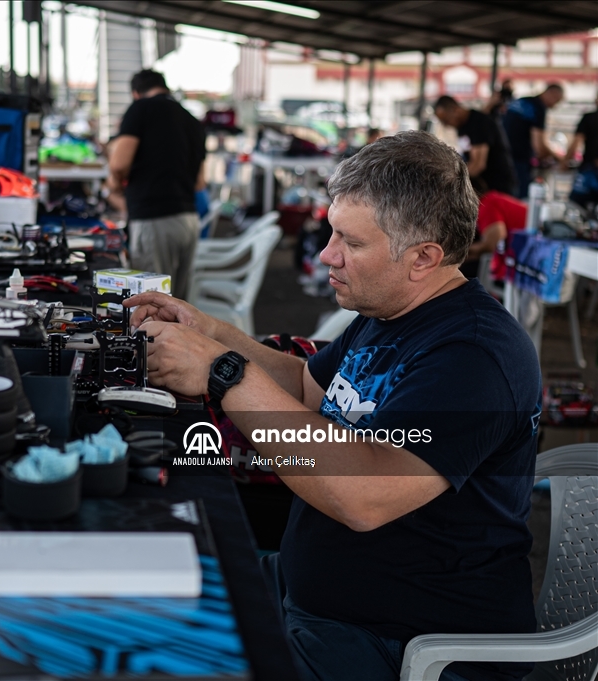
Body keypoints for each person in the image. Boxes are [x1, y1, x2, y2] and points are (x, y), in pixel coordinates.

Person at [125, 131, 540, 681]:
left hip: (401, 643)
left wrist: (221, 372)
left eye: (351, 242)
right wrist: (211, 332)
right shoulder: (390, 310)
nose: (327, 254)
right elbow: (304, 386)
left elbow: (362, 493)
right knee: (134, 599)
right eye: (331, 233)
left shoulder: (475, 355)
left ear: (423, 258)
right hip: (316, 598)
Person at [106, 69, 206, 300]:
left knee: (152, 305)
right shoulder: (191, 120)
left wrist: (115, 188)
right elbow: (200, 183)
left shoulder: (141, 108)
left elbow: (119, 164)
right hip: (188, 222)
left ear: (136, 93)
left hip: (154, 221)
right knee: (179, 308)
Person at [434, 95, 517, 196]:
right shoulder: (462, 126)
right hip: (484, 187)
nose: (447, 125)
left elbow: (478, 164)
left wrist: (452, 182)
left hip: (499, 186)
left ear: (455, 110)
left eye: (446, 120)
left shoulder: (479, 123)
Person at [503, 83, 564, 198]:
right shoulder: (538, 108)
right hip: (519, 161)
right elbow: (539, 147)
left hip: (502, 157)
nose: (554, 106)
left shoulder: (521, 101)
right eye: (556, 101)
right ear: (552, 94)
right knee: (520, 200)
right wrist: (558, 158)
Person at [467, 178, 527, 284]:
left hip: (526, 256)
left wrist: (461, 253)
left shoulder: (487, 204)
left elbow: (493, 243)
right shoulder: (491, 200)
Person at [562, 97, 598, 209]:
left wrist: (564, 162)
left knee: (575, 208)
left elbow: (577, 142)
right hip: (590, 170)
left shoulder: (590, 117)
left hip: (589, 172)